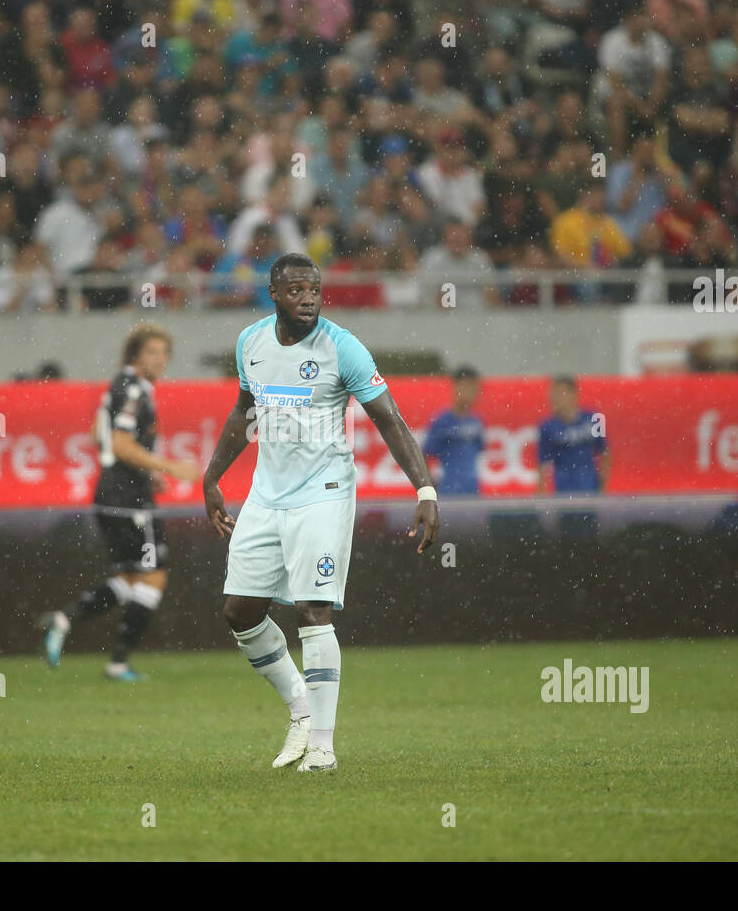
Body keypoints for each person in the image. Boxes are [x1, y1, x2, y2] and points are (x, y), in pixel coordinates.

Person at [202, 253, 439, 773]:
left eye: (314, 289)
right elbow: (245, 412)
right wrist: (213, 477)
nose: (308, 298)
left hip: (324, 491)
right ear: (274, 293)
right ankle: (301, 710)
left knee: (312, 609)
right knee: (239, 611)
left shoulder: (342, 347)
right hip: (266, 494)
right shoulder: (251, 343)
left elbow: (390, 420)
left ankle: (324, 748)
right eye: (296, 290)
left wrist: (424, 489)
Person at [40, 325, 200, 681]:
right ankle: (118, 662)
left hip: (111, 496)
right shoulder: (134, 389)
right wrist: (169, 466)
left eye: (164, 352)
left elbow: (98, 436)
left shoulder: (121, 385)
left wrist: (147, 471)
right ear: (135, 356)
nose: (160, 359)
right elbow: (122, 443)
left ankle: (66, 617)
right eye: (152, 352)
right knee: (154, 576)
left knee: (129, 578)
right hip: (129, 502)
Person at [537, 376, 609, 494]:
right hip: (563, 489)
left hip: (589, 485)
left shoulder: (593, 419)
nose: (554, 398)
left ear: (573, 394)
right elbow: (542, 464)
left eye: (560, 393)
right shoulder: (548, 427)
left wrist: (603, 485)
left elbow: (605, 452)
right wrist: (540, 494)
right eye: (553, 394)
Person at [422, 366, 484, 496]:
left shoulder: (477, 421)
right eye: (466, 387)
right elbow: (425, 456)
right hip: (449, 491)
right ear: (455, 387)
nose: (471, 393)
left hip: (473, 491)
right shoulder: (442, 421)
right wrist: (430, 488)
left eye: (474, 388)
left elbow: (478, 452)